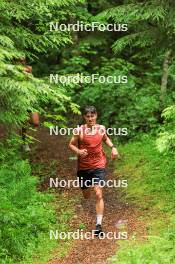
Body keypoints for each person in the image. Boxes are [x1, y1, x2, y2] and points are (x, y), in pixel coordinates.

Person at [69, 106, 119, 236]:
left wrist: (113, 148)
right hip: (84, 167)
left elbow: (106, 138)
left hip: (99, 165)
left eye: (92, 116)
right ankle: (88, 188)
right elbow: (71, 144)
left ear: (96, 116)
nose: (90, 118)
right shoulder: (79, 130)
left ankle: (98, 225)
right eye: (88, 116)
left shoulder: (101, 128)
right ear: (84, 117)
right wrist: (78, 151)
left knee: (98, 193)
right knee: (86, 195)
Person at [20, 59, 39, 151]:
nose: (21, 62)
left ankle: (24, 138)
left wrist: (28, 73)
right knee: (24, 122)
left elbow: (31, 82)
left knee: (35, 123)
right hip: (19, 99)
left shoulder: (29, 68)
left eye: (23, 60)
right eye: (19, 60)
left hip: (30, 98)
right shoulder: (12, 70)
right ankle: (24, 142)